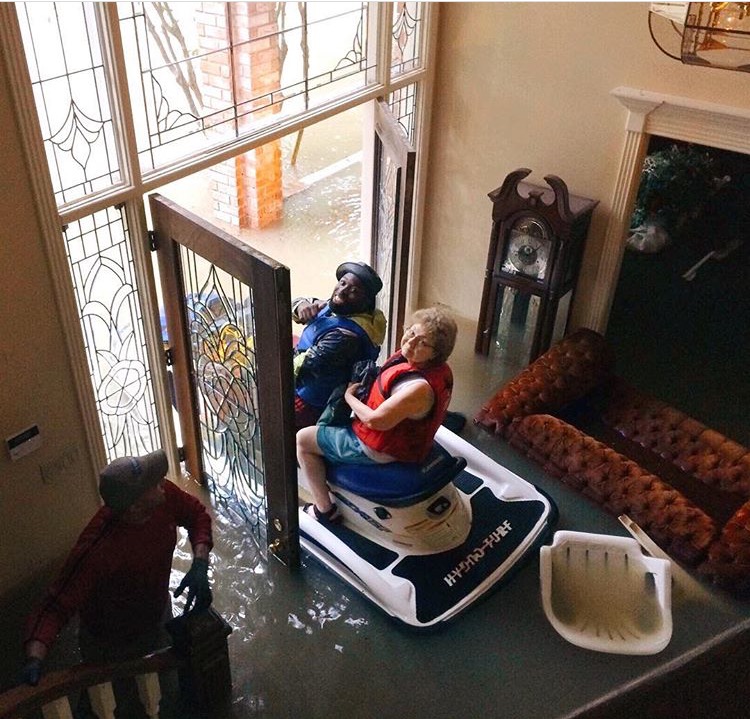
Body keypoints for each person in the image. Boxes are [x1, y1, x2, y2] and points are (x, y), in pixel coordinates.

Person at [18, 449, 213, 686]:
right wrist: (34, 659)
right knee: (123, 700)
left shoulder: (166, 496)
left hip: (157, 616)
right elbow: (54, 607)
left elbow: (196, 515)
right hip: (110, 645)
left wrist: (200, 562)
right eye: (154, 481)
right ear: (134, 507)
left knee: (165, 685)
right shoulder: (97, 549)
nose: (162, 480)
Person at [297, 306, 457, 522]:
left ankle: (323, 509)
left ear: (436, 353)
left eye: (423, 343)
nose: (411, 343)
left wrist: (349, 397)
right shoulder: (425, 365)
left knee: (303, 439)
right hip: (407, 436)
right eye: (411, 333)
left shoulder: (418, 389)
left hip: (380, 448)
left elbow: (375, 421)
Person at [293, 261, 386, 429]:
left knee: (278, 423)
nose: (342, 292)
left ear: (365, 302)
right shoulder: (343, 309)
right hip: (304, 378)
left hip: (311, 400)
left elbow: (301, 366)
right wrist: (302, 305)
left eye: (353, 292)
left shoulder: (345, 338)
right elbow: (316, 305)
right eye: (343, 283)